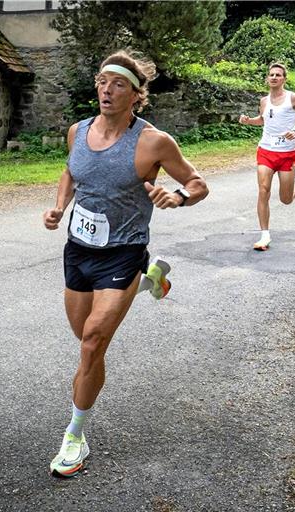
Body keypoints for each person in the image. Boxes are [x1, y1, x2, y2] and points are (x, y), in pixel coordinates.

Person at [42, 50, 208, 477]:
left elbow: (197, 183)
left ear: (137, 95)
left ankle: (75, 437)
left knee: (93, 342)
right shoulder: (77, 131)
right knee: (84, 339)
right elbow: (71, 173)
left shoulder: (153, 141)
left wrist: (177, 196)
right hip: (78, 249)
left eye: (117, 84)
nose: (106, 90)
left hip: (122, 250)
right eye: (102, 81)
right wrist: (59, 207)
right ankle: (150, 277)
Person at [239, 62, 295, 251]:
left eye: (278, 75)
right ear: (267, 78)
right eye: (271, 74)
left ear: (284, 79)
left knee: (286, 200)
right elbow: (263, 120)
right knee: (263, 190)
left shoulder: (294, 98)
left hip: (287, 154)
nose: (274, 77)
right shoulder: (264, 101)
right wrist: (249, 121)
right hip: (265, 150)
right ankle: (264, 235)